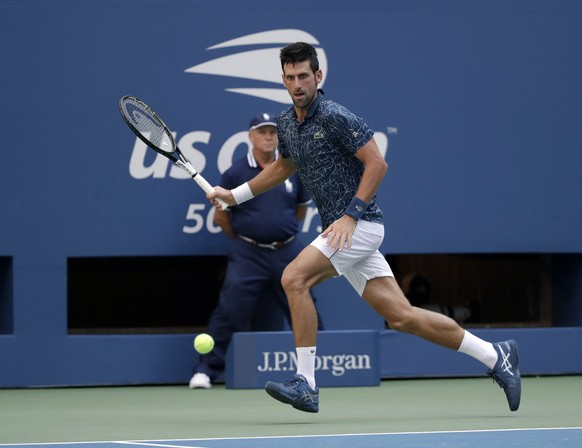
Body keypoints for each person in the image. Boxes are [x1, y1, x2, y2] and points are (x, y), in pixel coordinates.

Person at [207, 43, 521, 413]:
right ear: (283, 79)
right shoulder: (287, 123)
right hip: (342, 231)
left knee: (294, 278)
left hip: (360, 225)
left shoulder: (337, 115)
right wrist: (235, 195)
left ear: (318, 76)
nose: (297, 84)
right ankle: (495, 355)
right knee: (401, 317)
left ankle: (306, 382)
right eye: (290, 77)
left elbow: (377, 164)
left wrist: (351, 214)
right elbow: (283, 168)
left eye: (303, 76)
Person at [189, 112, 324, 389]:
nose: (268, 136)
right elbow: (222, 218)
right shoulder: (236, 172)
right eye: (262, 132)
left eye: (273, 132)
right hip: (248, 254)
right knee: (229, 311)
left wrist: (279, 235)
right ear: (251, 137)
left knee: (306, 307)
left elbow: (299, 211)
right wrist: (249, 238)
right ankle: (205, 370)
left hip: (287, 252)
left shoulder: (290, 169)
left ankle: (322, 369)